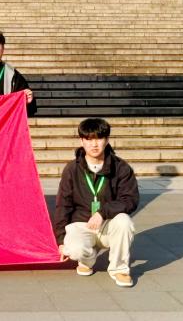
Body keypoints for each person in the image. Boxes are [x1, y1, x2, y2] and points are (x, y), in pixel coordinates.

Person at [53, 117, 138, 287]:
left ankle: (119, 269)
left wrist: (102, 213)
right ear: (82, 141)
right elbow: (63, 205)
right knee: (72, 248)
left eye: (99, 139)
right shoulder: (72, 169)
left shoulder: (120, 167)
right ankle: (88, 259)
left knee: (124, 222)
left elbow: (130, 199)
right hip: (81, 224)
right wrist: (61, 240)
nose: (94, 144)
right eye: (89, 139)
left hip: (107, 223)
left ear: (107, 140)